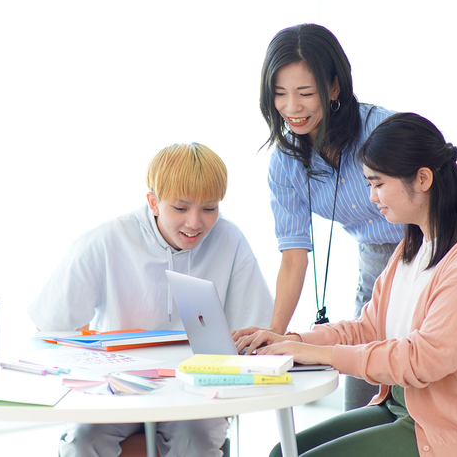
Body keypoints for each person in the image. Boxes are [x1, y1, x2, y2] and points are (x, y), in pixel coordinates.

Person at [236, 113, 457, 457]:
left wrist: (320, 355)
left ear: (423, 179)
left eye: (378, 184)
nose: (372, 198)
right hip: (407, 410)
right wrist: (295, 342)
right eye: (368, 185)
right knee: (282, 452)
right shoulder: (415, 244)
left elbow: (424, 359)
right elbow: (369, 327)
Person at [28, 142, 274, 457]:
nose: (195, 223)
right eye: (181, 208)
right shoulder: (107, 239)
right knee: (82, 440)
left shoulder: (230, 240)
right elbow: (50, 323)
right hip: (117, 385)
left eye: (209, 208)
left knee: (195, 441)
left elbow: (255, 329)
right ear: (153, 202)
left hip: (195, 388)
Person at [234, 23, 405, 410]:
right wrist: (274, 338)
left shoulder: (382, 129)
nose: (292, 108)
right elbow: (294, 257)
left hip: (431, 253)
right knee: (362, 402)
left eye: (305, 93)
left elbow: (439, 193)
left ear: (333, 88)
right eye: (279, 94)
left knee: (416, 387)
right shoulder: (285, 163)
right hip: (375, 261)